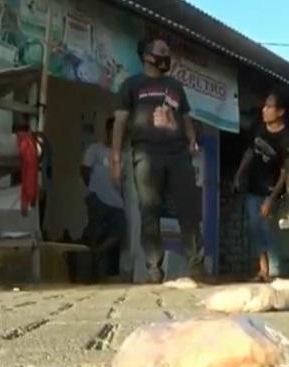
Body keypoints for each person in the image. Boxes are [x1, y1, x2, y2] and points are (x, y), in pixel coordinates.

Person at [110, 37, 205, 284]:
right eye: (163, 51)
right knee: (149, 212)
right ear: (148, 56)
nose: (167, 56)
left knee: (189, 210)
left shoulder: (175, 86)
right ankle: (154, 269)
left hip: (178, 154)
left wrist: (193, 141)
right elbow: (120, 122)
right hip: (145, 154)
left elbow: (185, 118)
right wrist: (116, 158)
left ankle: (196, 265)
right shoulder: (131, 85)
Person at [233, 92, 289, 282]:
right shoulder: (258, 128)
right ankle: (263, 271)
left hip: (273, 191)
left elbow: (286, 171)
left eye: (269, 107)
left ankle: (278, 273)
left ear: (280, 111)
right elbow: (250, 152)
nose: (264, 110)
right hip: (253, 188)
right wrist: (239, 173)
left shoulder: (287, 137)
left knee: (270, 231)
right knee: (255, 229)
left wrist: (271, 198)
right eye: (264, 106)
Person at [81, 118, 125, 279]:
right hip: (97, 198)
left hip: (117, 202)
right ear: (107, 131)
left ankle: (97, 254)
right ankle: (89, 269)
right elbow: (84, 170)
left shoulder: (123, 154)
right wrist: (94, 190)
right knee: (95, 232)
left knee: (120, 231)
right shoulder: (95, 149)